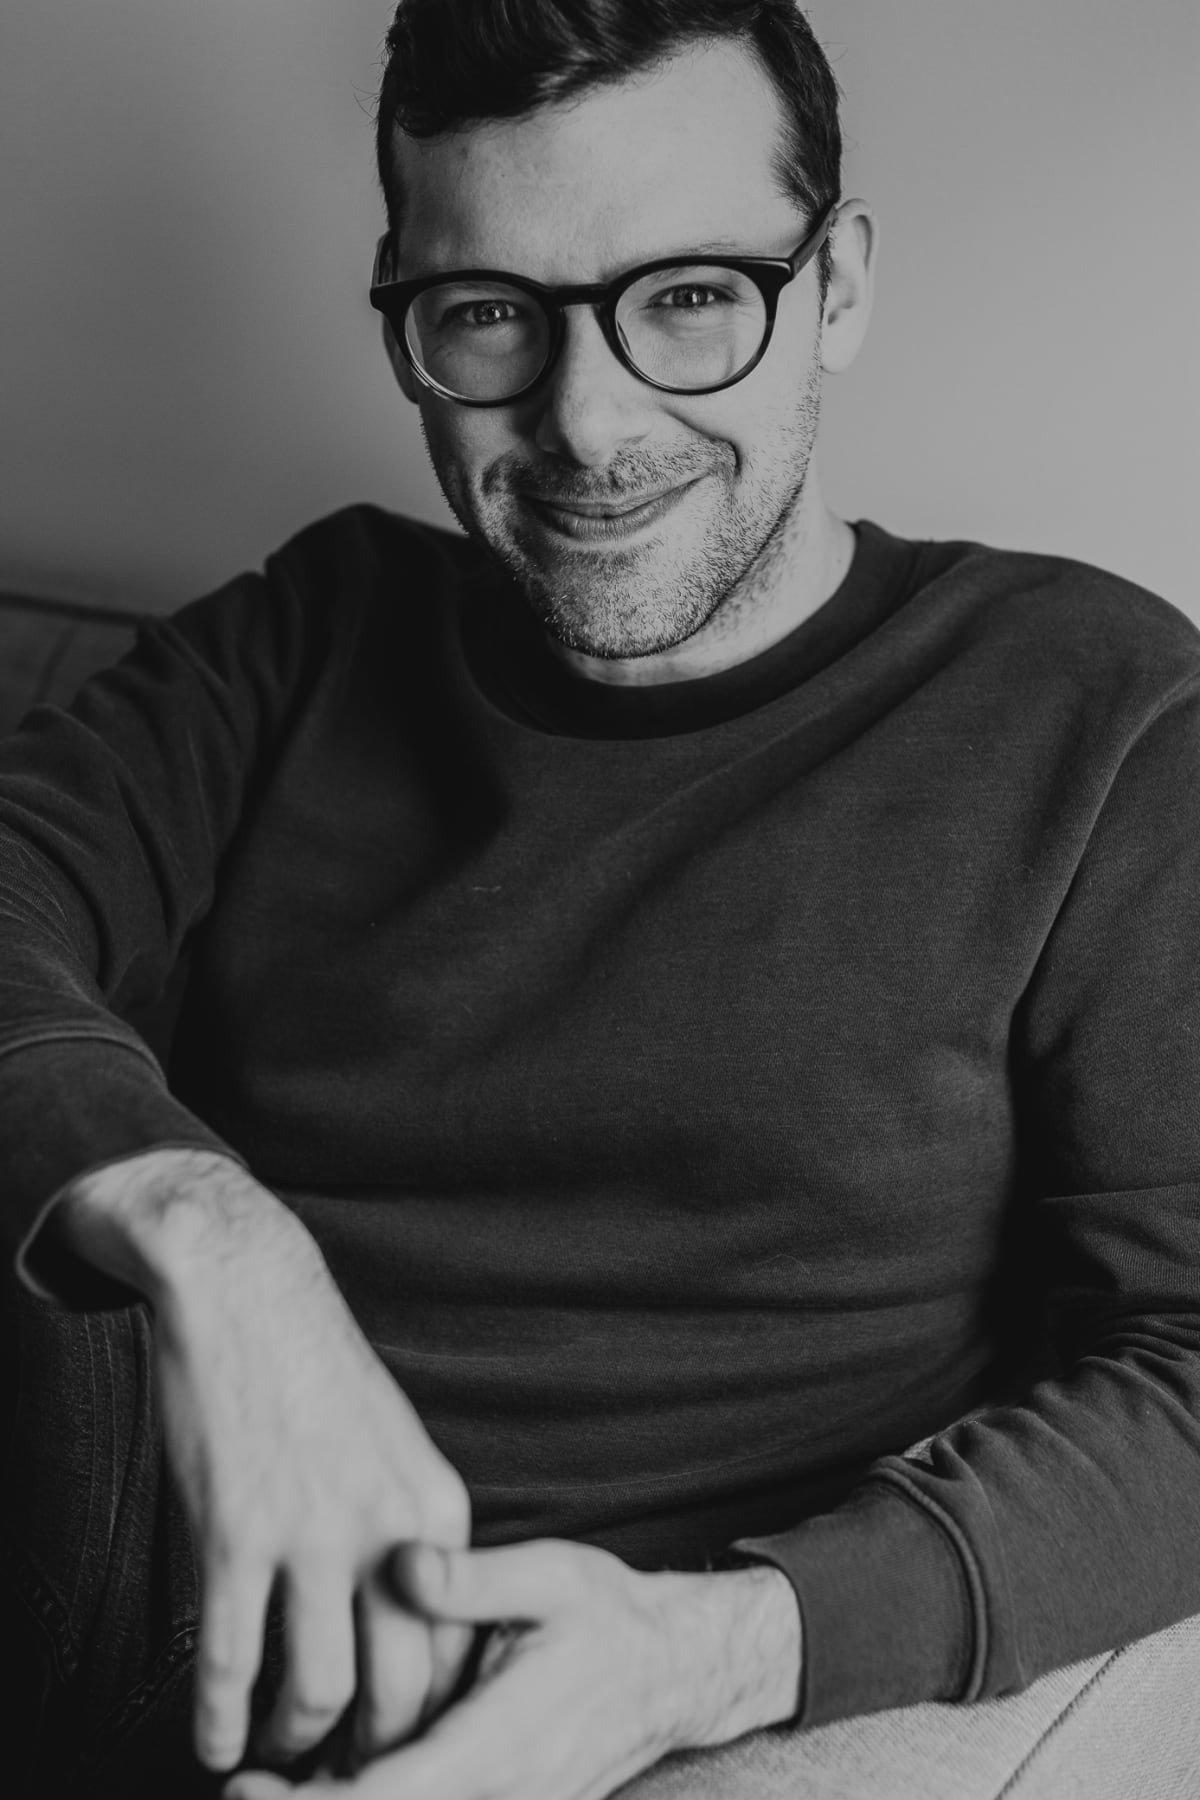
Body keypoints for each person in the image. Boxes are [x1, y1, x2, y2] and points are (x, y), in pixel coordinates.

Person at [3, 1, 1199, 1796]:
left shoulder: (1094, 713)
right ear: (405, 322)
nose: (587, 420)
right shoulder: (311, 635)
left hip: (621, 1679)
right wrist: (208, 1231)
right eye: (489, 312)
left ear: (837, 287)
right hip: (108, 1570)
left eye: (691, 296)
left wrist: (719, 1652)